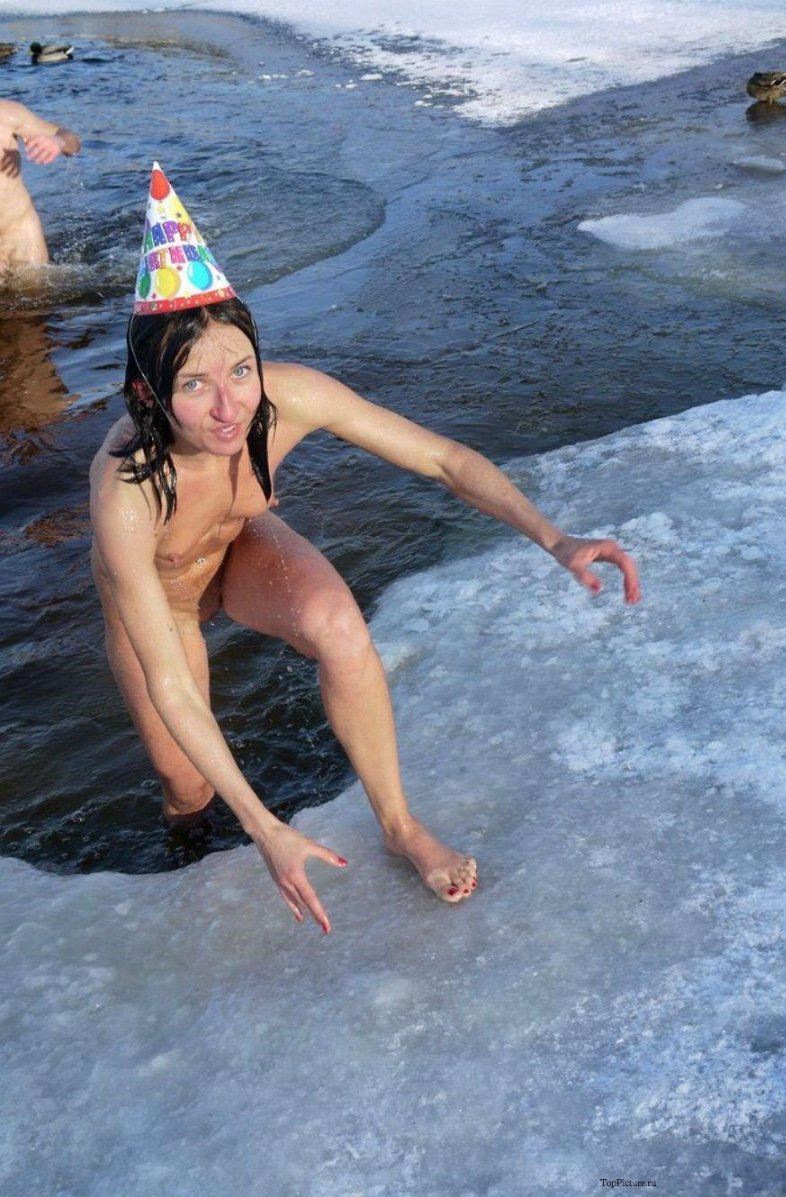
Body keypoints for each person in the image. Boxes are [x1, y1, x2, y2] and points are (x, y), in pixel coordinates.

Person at [90, 164, 641, 934]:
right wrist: (265, 826)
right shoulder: (127, 490)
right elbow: (173, 687)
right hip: (165, 603)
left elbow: (444, 460)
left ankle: (400, 826)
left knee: (340, 626)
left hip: (240, 547)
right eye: (193, 385)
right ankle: (192, 870)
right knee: (188, 787)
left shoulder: (287, 398)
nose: (227, 406)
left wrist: (555, 537)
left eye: (240, 370)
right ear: (147, 393)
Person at [0, 98, 81, 269]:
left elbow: (73, 143)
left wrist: (58, 141)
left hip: (21, 233)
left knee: (41, 286)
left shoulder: (7, 114)